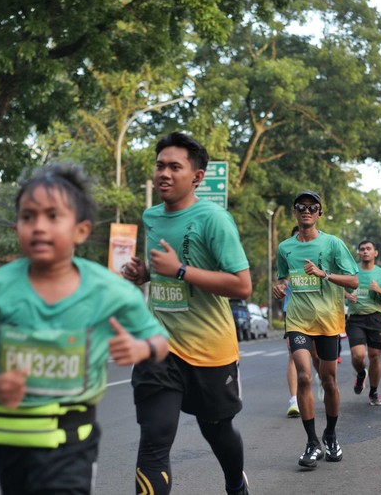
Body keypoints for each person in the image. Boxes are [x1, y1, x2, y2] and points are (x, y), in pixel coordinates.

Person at [0, 163, 169, 495]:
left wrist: (140, 348)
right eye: (27, 216)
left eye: (52, 216)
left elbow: (160, 340)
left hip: (72, 439)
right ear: (16, 226)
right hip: (10, 438)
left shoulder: (108, 291)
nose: (39, 227)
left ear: (81, 230)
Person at [122, 132, 252, 495]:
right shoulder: (151, 216)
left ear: (197, 176)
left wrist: (179, 270)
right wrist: (146, 273)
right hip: (159, 347)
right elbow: (162, 267)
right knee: (154, 437)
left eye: (174, 167)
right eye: (159, 165)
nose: (163, 173)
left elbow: (242, 286)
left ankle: (235, 484)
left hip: (210, 350)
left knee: (217, 430)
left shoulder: (214, 219)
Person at [272, 190, 358, 469]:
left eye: (312, 207)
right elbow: (283, 278)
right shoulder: (285, 247)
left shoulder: (333, 244)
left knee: (329, 381)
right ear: (294, 212)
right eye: (301, 207)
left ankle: (330, 434)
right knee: (305, 376)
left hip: (328, 321)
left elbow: (354, 282)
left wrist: (325, 274)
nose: (306, 211)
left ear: (320, 213)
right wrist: (279, 288)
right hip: (298, 320)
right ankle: (312, 442)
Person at [344, 240, 381, 406]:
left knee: (375, 357)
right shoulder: (352, 272)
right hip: (355, 318)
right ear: (358, 253)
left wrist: (379, 290)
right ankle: (361, 374)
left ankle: (373, 392)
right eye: (362, 249)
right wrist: (347, 295)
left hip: (375, 318)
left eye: (368, 249)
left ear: (375, 253)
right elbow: (338, 289)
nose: (365, 251)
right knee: (358, 356)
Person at [284, 226, 322, 418]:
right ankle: (294, 400)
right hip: (293, 314)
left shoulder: (317, 260)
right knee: (293, 354)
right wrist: (280, 286)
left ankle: (322, 379)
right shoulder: (286, 256)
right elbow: (280, 280)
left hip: (316, 313)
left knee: (315, 354)